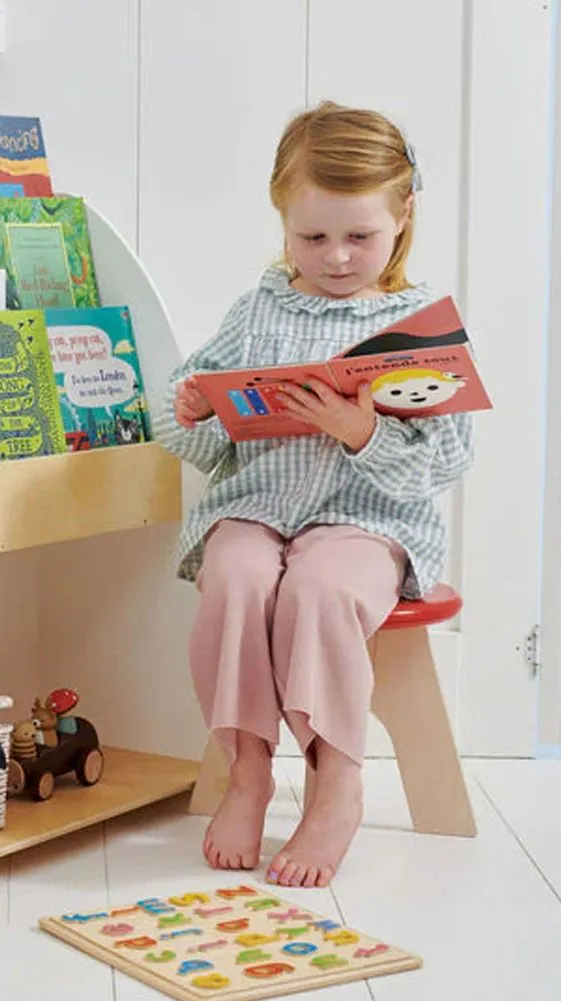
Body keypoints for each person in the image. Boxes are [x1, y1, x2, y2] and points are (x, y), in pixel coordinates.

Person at [155, 101, 473, 889]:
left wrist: (360, 431)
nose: (334, 257)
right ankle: (250, 768)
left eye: (357, 236)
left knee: (322, 589)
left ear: (402, 217)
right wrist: (190, 408)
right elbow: (198, 434)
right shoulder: (259, 308)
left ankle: (335, 782)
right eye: (312, 237)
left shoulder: (418, 326)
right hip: (258, 508)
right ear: (282, 221)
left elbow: (446, 459)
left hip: (368, 522)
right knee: (235, 577)